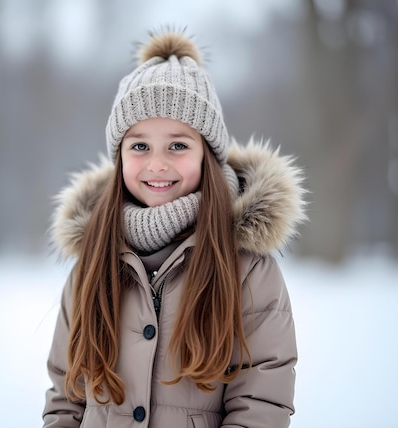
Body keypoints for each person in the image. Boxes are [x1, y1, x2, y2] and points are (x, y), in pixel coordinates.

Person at [42, 29, 307, 428]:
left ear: (208, 157)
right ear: (120, 156)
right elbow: (66, 400)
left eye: (178, 146)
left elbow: (259, 406)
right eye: (140, 146)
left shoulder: (248, 271)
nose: (157, 164)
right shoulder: (92, 263)